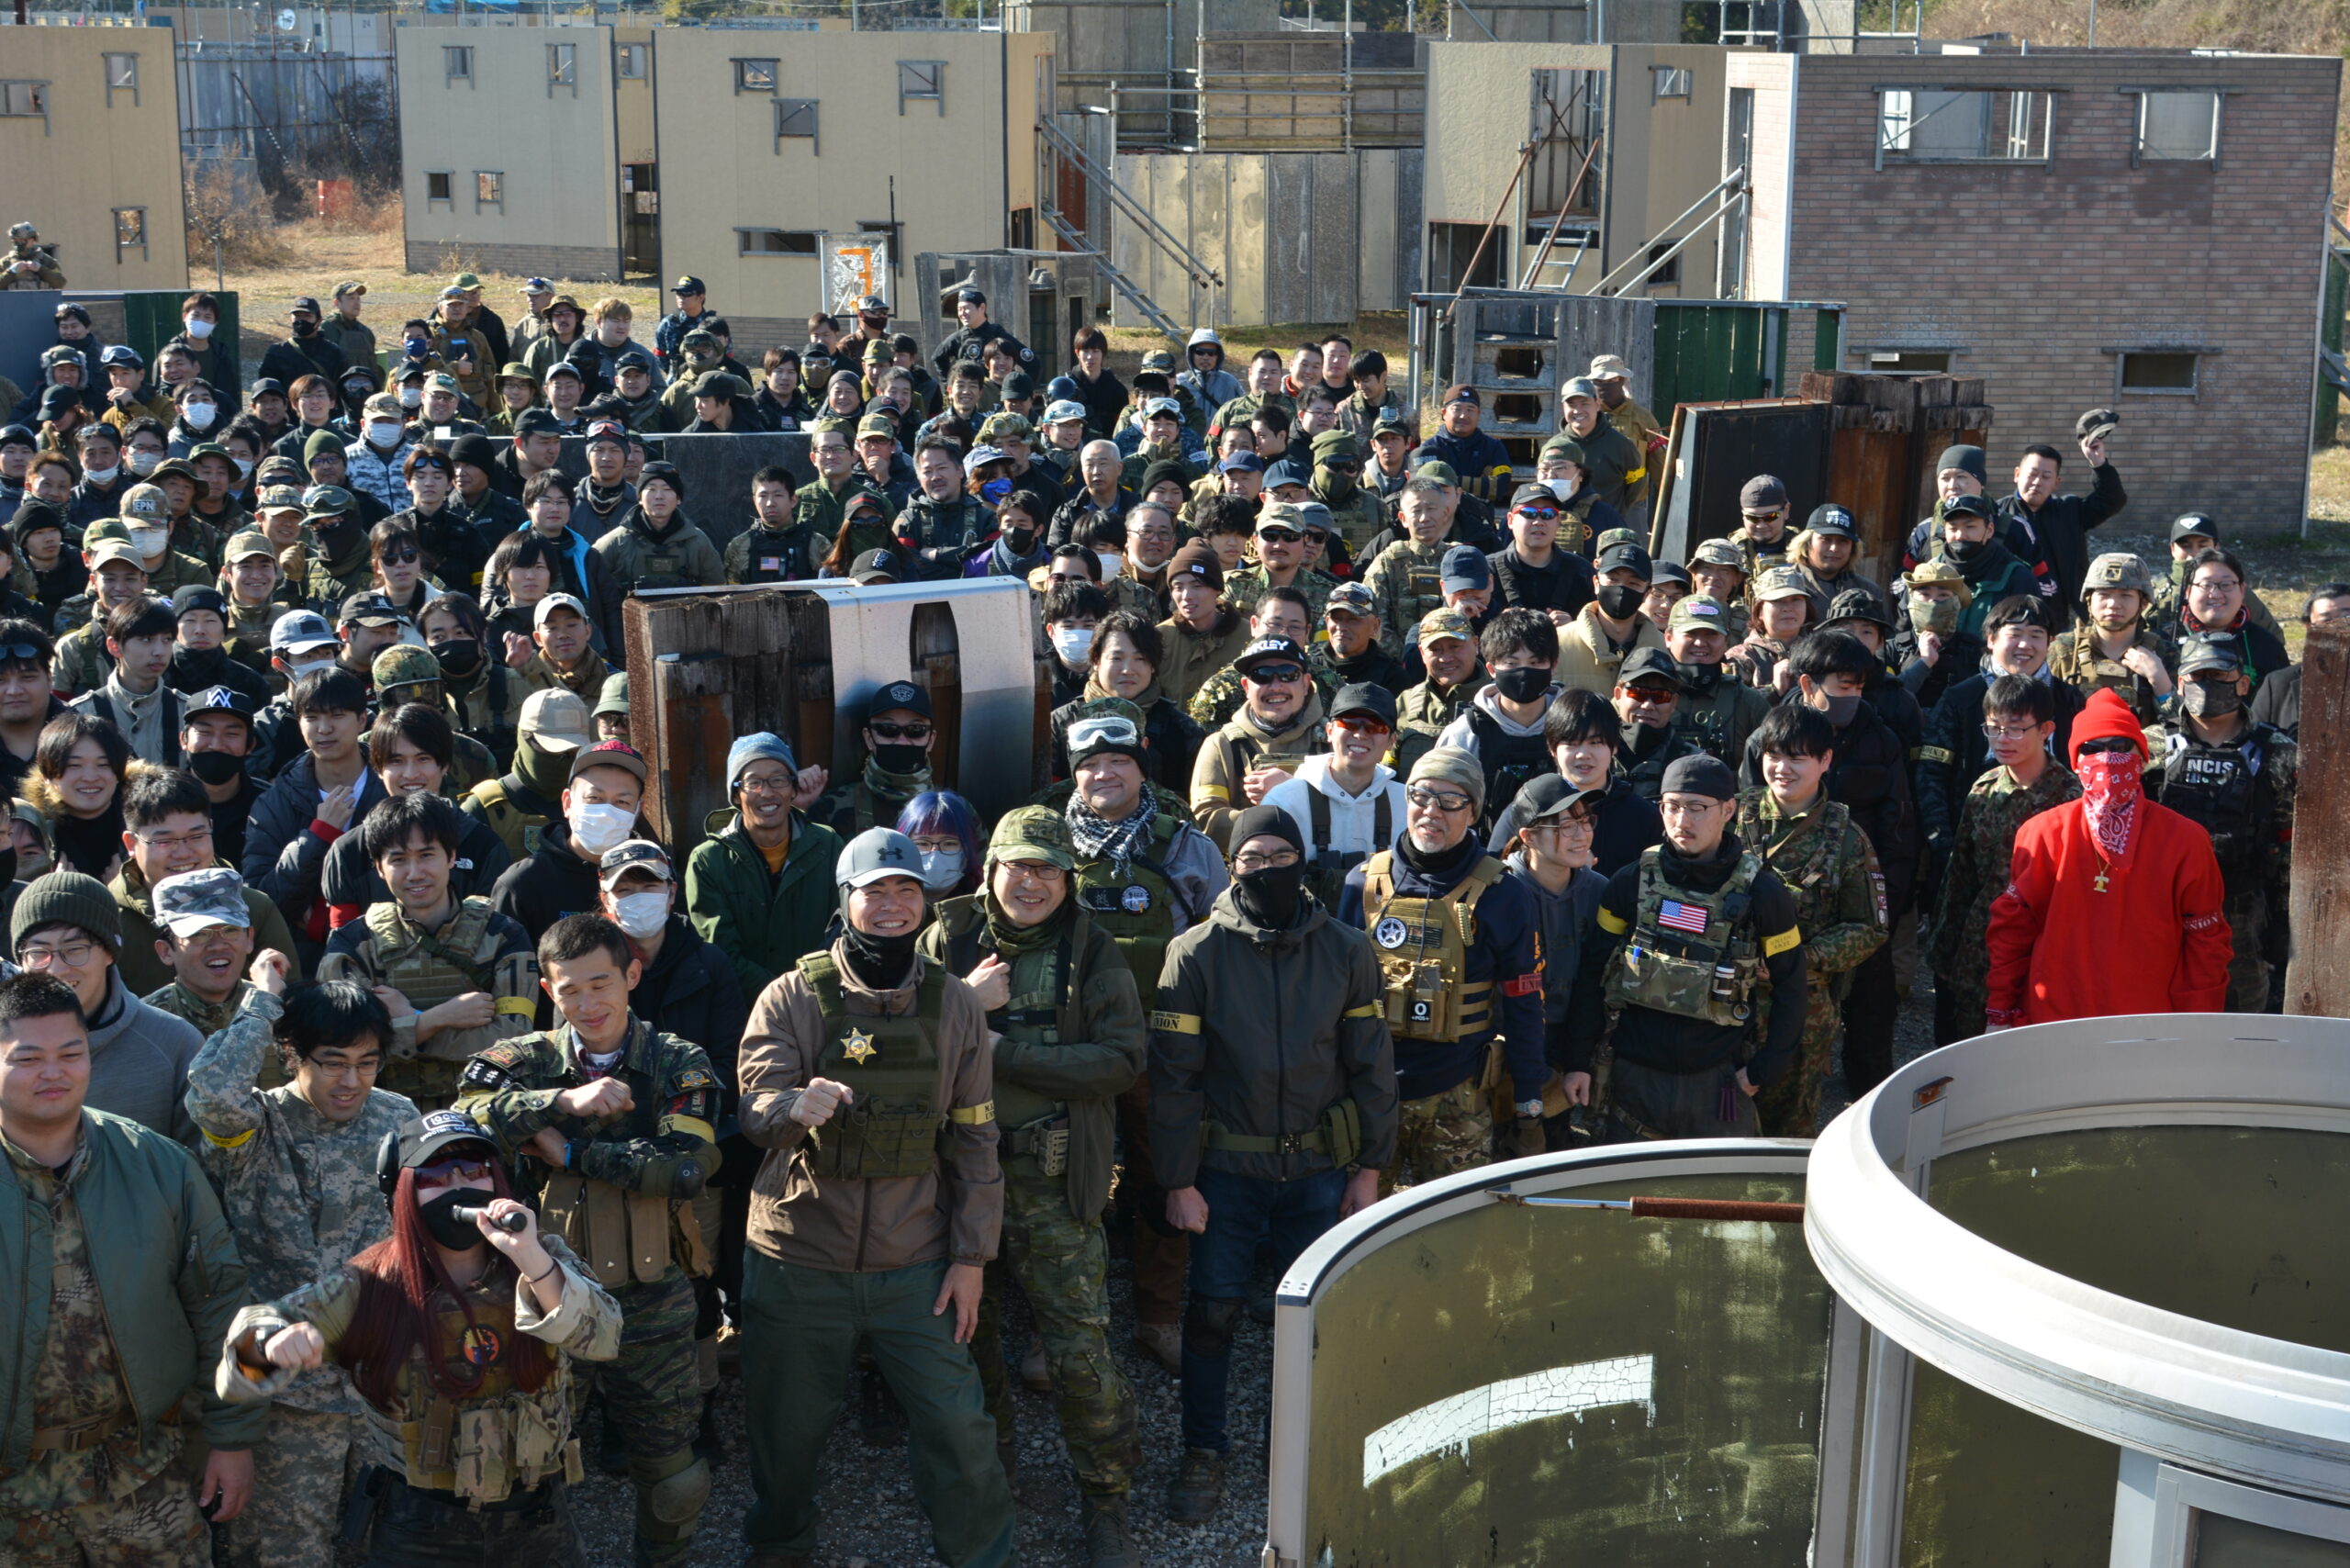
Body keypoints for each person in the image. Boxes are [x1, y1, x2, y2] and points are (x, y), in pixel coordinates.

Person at [733, 827, 1016, 1568]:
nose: (892, 904)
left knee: (960, 1429)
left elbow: (976, 1138)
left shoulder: (955, 1005)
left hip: (915, 1260)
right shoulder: (791, 996)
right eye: (875, 891)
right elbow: (753, 1112)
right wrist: (793, 1105)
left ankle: (980, 1557)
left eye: (906, 889)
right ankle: (781, 1545)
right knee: (785, 1431)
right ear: (845, 901)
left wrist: (971, 1259)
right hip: (800, 1259)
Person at [218, 1108, 622, 1565]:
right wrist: (269, 1346)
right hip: (421, 1525)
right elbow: (236, 1376)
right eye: (435, 1176)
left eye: (474, 1170)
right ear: (403, 1191)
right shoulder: (371, 1284)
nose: (459, 1185)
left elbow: (604, 1340)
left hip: (539, 1515)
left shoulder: (542, 1258)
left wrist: (530, 1258)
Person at [912, 808, 1146, 1564]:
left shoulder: (1093, 950)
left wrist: (1000, 1049)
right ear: (991, 871)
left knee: (1079, 1353)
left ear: (1068, 879)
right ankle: (992, 1477)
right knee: (966, 1343)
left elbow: (1120, 1061)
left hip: (1052, 1181)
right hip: (957, 1182)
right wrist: (962, 1005)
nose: (1032, 883)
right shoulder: (945, 940)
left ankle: (1106, 1499)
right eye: (1019, 866)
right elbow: (900, 1044)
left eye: (1049, 869)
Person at [1151, 802, 1394, 1521]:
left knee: (1316, 1322)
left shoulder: (1347, 951)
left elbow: (1373, 1068)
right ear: (1231, 868)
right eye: (1251, 860)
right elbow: (1173, 1080)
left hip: (1319, 1176)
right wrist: (1178, 1181)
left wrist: (1369, 1169)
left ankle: (1301, 1449)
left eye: (1279, 858)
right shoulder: (1195, 953)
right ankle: (1204, 1450)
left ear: (1302, 862)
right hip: (1227, 1179)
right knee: (1213, 1316)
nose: (1266, 871)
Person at [454, 913, 721, 1567]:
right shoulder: (526, 1060)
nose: (588, 1003)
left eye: (601, 984)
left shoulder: (677, 1059)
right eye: (570, 990)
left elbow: (684, 1168)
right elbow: (463, 1114)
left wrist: (569, 1153)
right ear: (549, 990)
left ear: (632, 976)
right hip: (542, 1294)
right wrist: (560, 1104)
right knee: (523, 1459)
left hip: (652, 1293)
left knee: (675, 1473)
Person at [0, 969, 262, 1566]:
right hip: (10, 1494)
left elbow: (224, 1304)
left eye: (71, 1054)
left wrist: (232, 1436)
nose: (53, 1072)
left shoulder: (158, 1166)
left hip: (140, 1472)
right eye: (28, 1058)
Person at [184, 968, 417, 1568]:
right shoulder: (254, 1126)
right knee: (287, 1551)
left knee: (389, 1541)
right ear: (291, 1055)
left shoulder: (398, 1119)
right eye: (333, 1063)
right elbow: (212, 1096)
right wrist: (262, 1002)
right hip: (284, 1395)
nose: (351, 1081)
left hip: (376, 1384)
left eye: (367, 1063)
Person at [1563, 753, 1807, 1141]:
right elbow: (1593, 971)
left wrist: (1763, 1071)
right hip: (1634, 1078)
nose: (1681, 821)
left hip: (1719, 1081)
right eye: (1671, 806)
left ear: (1728, 810)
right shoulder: (1631, 881)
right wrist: (1578, 1060)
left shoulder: (1762, 893)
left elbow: (1792, 985)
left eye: (1696, 807)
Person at [1339, 745, 1545, 1174]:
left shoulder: (1504, 895)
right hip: (1370, 1091)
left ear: (1473, 812)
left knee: (1457, 1216)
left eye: (1450, 800)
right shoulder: (1361, 883)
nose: (1432, 811)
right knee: (1362, 1213)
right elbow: (1331, 996)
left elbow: (1523, 1002)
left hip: (1459, 1095)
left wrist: (1529, 1100)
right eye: (1421, 795)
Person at [1985, 688, 2232, 1025]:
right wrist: (2000, 1009)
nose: (2106, 758)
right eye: (2091, 748)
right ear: (2076, 762)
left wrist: (2196, 1024)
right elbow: (2012, 932)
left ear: (2142, 757)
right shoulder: (2042, 833)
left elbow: (2206, 943)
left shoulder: (2186, 840)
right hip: (2055, 1022)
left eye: (2119, 746)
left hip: (2149, 1027)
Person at [320, 791, 540, 1108]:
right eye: (398, 860)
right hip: (384, 1114)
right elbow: (344, 1047)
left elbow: (514, 1042)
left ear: (451, 857)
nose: (415, 873)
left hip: (483, 1111)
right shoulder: (354, 943)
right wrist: (433, 1019)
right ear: (379, 868)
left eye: (426, 855)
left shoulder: (503, 936)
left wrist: (405, 1023)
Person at [1730, 704, 1886, 1135]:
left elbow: (1869, 927)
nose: (1782, 769)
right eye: (1774, 755)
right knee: (1715, 1121)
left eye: (1797, 758)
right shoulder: (1731, 816)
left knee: (1786, 1129)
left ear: (1825, 760)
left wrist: (1804, 957)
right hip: (1723, 998)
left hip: (1799, 1005)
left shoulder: (1846, 839)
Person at [1923, 675, 2080, 1046]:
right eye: (1993, 728)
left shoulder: (2071, 799)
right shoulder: (1985, 789)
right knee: (1967, 1048)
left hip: (2040, 951)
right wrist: (1944, 949)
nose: (2002, 739)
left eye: (2015, 729)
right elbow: (1960, 877)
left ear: (2046, 730)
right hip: (1979, 948)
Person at [2145, 635, 2298, 1014]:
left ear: (2243, 684)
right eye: (2197, 675)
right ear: (2180, 682)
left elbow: (2292, 845)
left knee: (2242, 1021)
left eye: (2218, 674)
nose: (2207, 683)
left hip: (2244, 915)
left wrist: (2286, 920)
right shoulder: (2151, 747)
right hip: (2163, 910)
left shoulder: (2277, 752)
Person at [1916, 596, 2085, 866]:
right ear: (1992, 639)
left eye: (2036, 635)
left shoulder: (2069, 700)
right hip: (1976, 850)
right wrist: (1946, 846)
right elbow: (1932, 774)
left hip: (2056, 847)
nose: (2025, 645)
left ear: (2050, 642)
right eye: (2014, 634)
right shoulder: (1961, 699)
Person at [110, 765, 297, 995]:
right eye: (165, 841)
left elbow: (292, 1000)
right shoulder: (110, 919)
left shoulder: (255, 908)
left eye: (196, 836)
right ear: (131, 844)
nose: (183, 853)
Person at [685, 733, 842, 1006]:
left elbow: (841, 931)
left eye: (778, 779)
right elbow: (720, 951)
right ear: (736, 795)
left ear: (793, 789)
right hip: (744, 1008)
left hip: (820, 1000)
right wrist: (780, 995)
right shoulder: (708, 861)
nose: (767, 792)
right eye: (753, 782)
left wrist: (809, 987)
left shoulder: (827, 845)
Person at [1263, 681, 1409, 910]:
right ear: (1329, 731)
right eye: (1349, 723)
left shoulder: (1408, 804)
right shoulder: (1283, 802)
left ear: (1392, 741)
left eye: (1376, 727)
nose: (1360, 734)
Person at [491, 738, 648, 943]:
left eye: (622, 801)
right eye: (594, 798)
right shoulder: (522, 884)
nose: (607, 812)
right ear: (567, 803)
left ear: (637, 811)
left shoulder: (655, 878)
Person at [1433, 608, 1562, 823]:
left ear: (1553, 666)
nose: (1524, 673)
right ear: (1492, 669)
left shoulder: (1575, 728)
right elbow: (1440, 805)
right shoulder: (1465, 733)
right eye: (1512, 663)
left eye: (1535, 662)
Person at [1998, 425, 2127, 617]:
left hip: (2065, 612)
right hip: (2012, 612)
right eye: (2032, 474)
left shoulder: (2070, 510)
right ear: (2017, 475)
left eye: (2046, 477)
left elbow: (2112, 500)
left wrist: (2099, 463)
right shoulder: (1998, 514)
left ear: (2056, 482)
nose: (2037, 482)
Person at [2047, 551, 2174, 725]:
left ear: (2143, 603)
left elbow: (2180, 726)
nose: (2113, 604)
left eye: (2126, 595)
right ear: (2089, 600)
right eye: (2104, 595)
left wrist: (2160, 682)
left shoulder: (2163, 652)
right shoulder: (2062, 649)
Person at [67, 596, 185, 765]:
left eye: (167, 640)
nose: (159, 651)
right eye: (146, 639)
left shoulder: (186, 711)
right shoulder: (81, 713)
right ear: (114, 646)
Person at [26, 711, 138, 881]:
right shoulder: (28, 831)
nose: (90, 777)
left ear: (119, 772)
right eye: (74, 765)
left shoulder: (150, 818)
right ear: (46, 775)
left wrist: (126, 889)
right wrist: (53, 890)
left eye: (103, 764)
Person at [819, 679, 939, 837]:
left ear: (931, 740)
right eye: (888, 729)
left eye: (915, 729)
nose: (902, 741)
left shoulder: (954, 811)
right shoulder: (829, 811)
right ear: (869, 738)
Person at [1663, 595, 1774, 764]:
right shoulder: (1647, 696)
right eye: (1690, 634)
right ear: (1669, 638)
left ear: (1726, 641)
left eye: (1712, 634)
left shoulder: (1748, 702)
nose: (1700, 642)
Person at [1556, 539, 1666, 696]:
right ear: (1596, 583)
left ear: (1646, 593)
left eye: (1633, 583)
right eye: (1613, 579)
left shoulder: (1663, 649)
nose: (1621, 590)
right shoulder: (1558, 643)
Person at [2249, 583, 2350, 736]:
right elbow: (2255, 742)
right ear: (2309, 628)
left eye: (2346, 618)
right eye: (2326, 621)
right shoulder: (2278, 685)